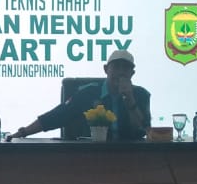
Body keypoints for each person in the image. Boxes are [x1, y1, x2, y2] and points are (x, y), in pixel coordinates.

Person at [9, 49, 150, 141]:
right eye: (116, 67)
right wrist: (23, 133)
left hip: (131, 157)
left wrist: (130, 100)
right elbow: (57, 116)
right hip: (90, 158)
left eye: (125, 68)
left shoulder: (141, 95)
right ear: (106, 69)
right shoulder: (88, 93)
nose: (120, 72)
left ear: (132, 73)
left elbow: (144, 131)